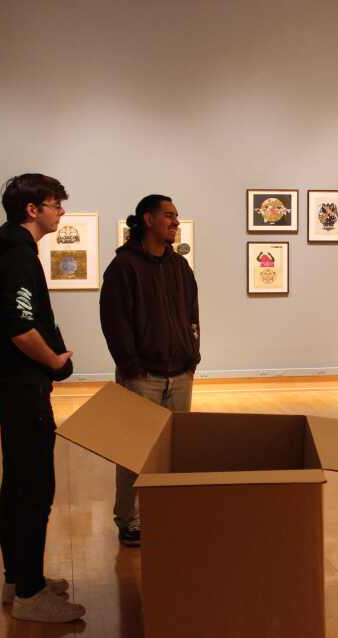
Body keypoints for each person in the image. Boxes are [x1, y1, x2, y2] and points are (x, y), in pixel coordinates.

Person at [0, 173, 86, 623]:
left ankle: (19, 578)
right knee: (34, 485)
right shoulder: (18, 257)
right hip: (21, 380)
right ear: (33, 210)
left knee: (19, 479)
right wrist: (56, 362)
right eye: (56, 204)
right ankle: (29, 594)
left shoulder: (11, 251)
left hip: (12, 379)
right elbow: (21, 328)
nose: (61, 211)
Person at [100, 194, 200, 547]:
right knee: (134, 450)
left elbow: (191, 315)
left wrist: (192, 357)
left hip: (180, 374)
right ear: (147, 219)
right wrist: (131, 367)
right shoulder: (124, 267)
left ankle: (167, 512)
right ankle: (130, 520)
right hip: (142, 377)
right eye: (169, 215)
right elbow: (114, 322)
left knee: (174, 449)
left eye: (177, 216)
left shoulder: (179, 267)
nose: (175, 222)